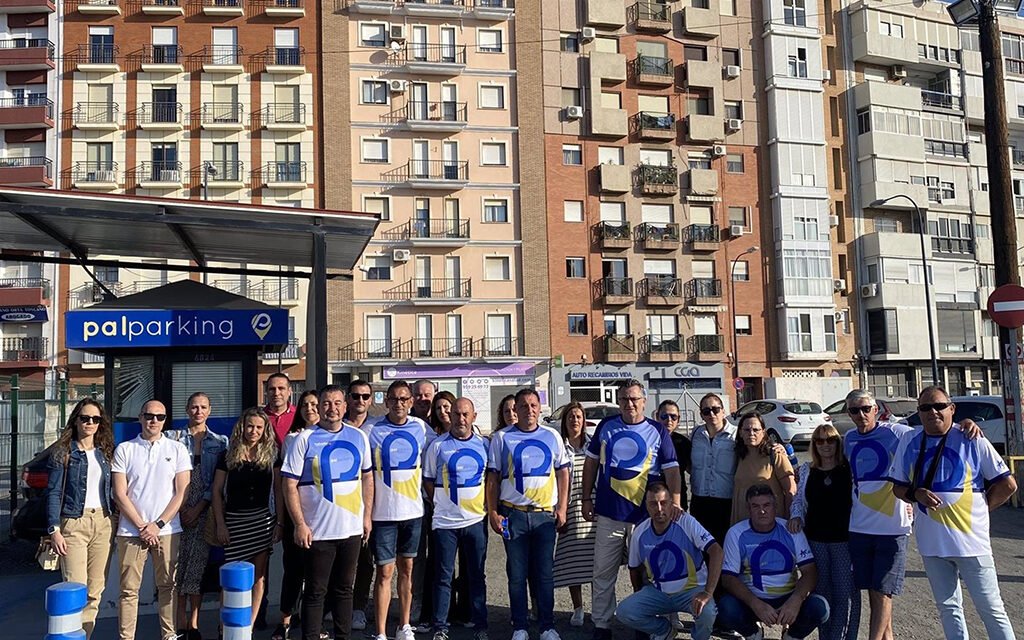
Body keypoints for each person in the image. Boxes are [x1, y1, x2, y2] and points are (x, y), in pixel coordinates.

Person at [890, 386, 1017, 640]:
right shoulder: (910, 440)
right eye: (925, 408)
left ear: (952, 409)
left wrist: (981, 510)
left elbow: (1008, 485)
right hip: (932, 544)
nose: (933, 412)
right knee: (948, 608)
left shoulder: (971, 437)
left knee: (991, 609)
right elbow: (898, 487)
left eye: (939, 406)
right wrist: (916, 494)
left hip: (971, 543)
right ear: (919, 412)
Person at [581, 379, 682, 640]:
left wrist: (676, 503)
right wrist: (586, 499)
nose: (629, 404)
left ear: (644, 401)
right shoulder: (606, 426)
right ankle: (602, 625)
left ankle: (645, 623)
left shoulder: (658, 431)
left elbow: (671, 470)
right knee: (603, 573)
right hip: (609, 514)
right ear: (619, 401)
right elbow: (591, 464)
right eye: (625, 399)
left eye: (634, 399)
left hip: (646, 518)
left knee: (649, 574)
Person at [281, 385, 373, 640]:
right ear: (319, 407)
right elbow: (289, 484)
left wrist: (366, 516)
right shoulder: (303, 439)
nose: (332, 408)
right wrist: (299, 523)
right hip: (318, 531)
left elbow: (367, 478)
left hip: (351, 529)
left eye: (337, 403)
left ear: (345, 406)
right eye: (326, 403)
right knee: (315, 591)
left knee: (344, 590)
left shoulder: (358, 437)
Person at [486, 388, 569, 640]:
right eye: (524, 406)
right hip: (514, 515)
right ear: (516, 410)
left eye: (533, 405)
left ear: (539, 408)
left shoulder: (552, 436)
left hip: (545, 516)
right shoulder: (501, 438)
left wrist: (562, 507)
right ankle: (520, 625)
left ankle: (547, 625)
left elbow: (563, 472)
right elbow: (493, 478)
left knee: (544, 574)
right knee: (517, 574)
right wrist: (492, 511)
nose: (529, 410)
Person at [111, 399, 191, 640]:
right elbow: (119, 493)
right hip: (131, 532)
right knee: (129, 591)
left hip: (167, 531)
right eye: (149, 415)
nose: (153, 420)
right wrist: (141, 526)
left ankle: (169, 635)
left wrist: (157, 525)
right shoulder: (124, 449)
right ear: (140, 417)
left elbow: (182, 492)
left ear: (165, 420)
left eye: (159, 416)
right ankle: (127, 637)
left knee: (168, 586)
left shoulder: (177, 449)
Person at [368, 380, 436, 640]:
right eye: (394, 399)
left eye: (403, 399)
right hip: (383, 514)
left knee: (407, 569)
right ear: (386, 401)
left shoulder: (421, 427)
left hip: (413, 512)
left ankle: (404, 625)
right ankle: (381, 631)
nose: (399, 404)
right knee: (384, 572)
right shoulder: (371, 429)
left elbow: (441, 449)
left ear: (410, 402)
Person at [718, 484, 830, 640]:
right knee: (725, 608)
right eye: (755, 506)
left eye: (766, 505)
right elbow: (728, 579)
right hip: (753, 600)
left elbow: (810, 571)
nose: (762, 511)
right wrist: (755, 604)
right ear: (748, 509)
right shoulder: (736, 533)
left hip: (787, 598)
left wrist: (796, 600)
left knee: (820, 607)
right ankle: (753, 633)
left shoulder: (791, 530)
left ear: (775, 506)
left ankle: (791, 635)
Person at [45, 398, 115, 639]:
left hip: (103, 523)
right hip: (73, 523)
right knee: (75, 587)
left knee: (96, 590)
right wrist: (54, 529)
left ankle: (84, 635)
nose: (90, 423)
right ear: (76, 421)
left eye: (95, 419)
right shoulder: (64, 452)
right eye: (85, 418)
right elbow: (54, 492)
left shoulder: (105, 452)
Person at [615, 482, 721, 640]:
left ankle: (699, 637)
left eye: (663, 503)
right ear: (646, 506)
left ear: (671, 503)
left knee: (708, 612)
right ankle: (664, 630)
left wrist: (707, 592)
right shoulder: (639, 532)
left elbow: (716, 551)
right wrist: (640, 596)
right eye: (653, 504)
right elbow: (634, 569)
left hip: (691, 590)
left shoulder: (686, 522)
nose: (659, 509)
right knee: (624, 611)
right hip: (659, 592)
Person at [423, 398, 490, 640]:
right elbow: (428, 479)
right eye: (456, 414)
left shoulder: (484, 444)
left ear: (473, 416)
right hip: (445, 523)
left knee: (476, 575)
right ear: (450, 416)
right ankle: (440, 626)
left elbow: (490, 480)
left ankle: (480, 624)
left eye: (465, 415)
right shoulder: (438, 445)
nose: (460, 419)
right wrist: (442, 503)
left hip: (475, 521)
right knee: (443, 576)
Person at [165, 392, 228, 640]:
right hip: (175, 511)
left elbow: (218, 483)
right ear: (186, 409)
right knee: (176, 569)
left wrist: (199, 507)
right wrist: (180, 508)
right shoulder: (172, 438)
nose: (198, 411)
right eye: (193, 407)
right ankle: (179, 622)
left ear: (209, 411)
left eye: (203, 407)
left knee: (197, 569)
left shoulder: (220, 441)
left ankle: (193, 624)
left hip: (204, 511)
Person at [788, 424, 859, 640]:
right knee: (822, 593)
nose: (825, 445)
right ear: (814, 445)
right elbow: (798, 499)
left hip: (844, 541)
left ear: (838, 443)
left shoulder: (849, 469)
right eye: (819, 440)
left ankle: (843, 636)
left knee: (845, 594)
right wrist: (796, 515)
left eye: (830, 440)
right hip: (815, 541)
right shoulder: (808, 471)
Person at [211, 407, 279, 626]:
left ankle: (248, 624)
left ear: (265, 430)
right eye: (250, 426)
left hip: (262, 521)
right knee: (231, 577)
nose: (254, 431)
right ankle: (226, 626)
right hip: (234, 521)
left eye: (259, 427)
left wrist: (281, 522)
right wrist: (221, 524)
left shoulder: (272, 455)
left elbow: (278, 491)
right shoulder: (228, 454)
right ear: (242, 427)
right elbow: (216, 491)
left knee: (259, 576)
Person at [274, 390, 320, 640]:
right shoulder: (292, 440)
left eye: (314, 404)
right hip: (297, 517)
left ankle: (314, 622)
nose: (310, 409)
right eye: (305, 405)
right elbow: (284, 484)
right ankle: (285, 621)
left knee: (318, 574)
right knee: (293, 571)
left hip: (324, 518)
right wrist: (282, 520)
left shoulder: (335, 435)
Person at [552, 403, 595, 627]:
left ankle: (600, 607)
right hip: (568, 508)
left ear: (584, 420)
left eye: (578, 416)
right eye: (570, 417)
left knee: (598, 562)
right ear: (564, 421)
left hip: (593, 508)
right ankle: (577, 608)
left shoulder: (594, 445)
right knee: (572, 561)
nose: (574, 421)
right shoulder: (559, 446)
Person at [689, 393, 738, 543]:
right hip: (699, 501)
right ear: (701, 415)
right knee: (701, 545)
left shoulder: (736, 435)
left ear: (723, 411)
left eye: (715, 409)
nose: (711, 414)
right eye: (706, 411)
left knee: (724, 546)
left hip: (725, 502)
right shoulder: (696, 434)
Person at [347, 380, 376, 632]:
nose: (360, 401)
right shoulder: (338, 425)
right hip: (343, 504)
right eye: (355, 396)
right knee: (342, 560)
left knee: (367, 560)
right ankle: (338, 605)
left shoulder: (377, 427)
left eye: (365, 396)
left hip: (374, 504)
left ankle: (358, 607)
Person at [730, 413, 795, 524]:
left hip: (771, 524)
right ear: (740, 432)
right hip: (743, 524)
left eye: (756, 430)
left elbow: (791, 491)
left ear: (763, 432)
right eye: (746, 430)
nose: (751, 433)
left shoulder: (775, 454)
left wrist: (788, 520)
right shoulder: (737, 456)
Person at [410, 378, 438, 631]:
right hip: (415, 502)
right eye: (418, 394)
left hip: (442, 504)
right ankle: (417, 602)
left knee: (441, 556)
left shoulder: (443, 421)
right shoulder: (407, 424)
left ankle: (442, 605)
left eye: (427, 394)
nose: (423, 399)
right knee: (416, 557)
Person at [656, 399, 690, 510]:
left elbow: (692, 469)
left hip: (677, 499)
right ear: (657, 417)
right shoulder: (649, 440)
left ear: (678, 419)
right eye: (664, 416)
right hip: (653, 498)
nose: (669, 420)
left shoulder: (684, 442)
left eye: (673, 417)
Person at [266, 372, 296, 446]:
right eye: (272, 389)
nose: (276, 393)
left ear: (289, 391)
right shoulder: (260, 417)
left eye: (281, 388)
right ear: (266, 392)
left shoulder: (299, 415)